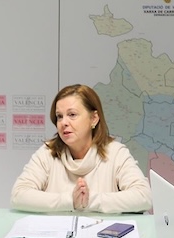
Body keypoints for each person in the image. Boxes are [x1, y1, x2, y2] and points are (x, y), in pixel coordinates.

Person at [10, 84, 151, 214]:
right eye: (59, 116)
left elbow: (143, 196)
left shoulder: (116, 153)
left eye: (72, 115)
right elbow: (18, 195)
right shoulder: (47, 153)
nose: (64, 122)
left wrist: (90, 201)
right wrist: (70, 201)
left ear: (94, 118)